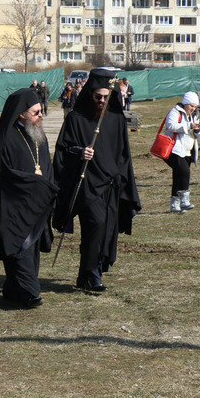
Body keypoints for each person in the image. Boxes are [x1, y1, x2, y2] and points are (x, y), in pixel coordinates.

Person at [53, 68, 141, 293]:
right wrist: (79, 152)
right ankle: (93, 274)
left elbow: (124, 154)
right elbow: (63, 150)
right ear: (90, 94)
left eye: (106, 97)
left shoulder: (116, 119)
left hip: (110, 184)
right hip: (86, 185)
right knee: (96, 223)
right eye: (98, 97)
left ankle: (88, 274)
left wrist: (121, 176)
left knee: (106, 228)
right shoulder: (76, 118)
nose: (102, 101)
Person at [0, 88, 58, 309]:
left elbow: (46, 166)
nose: (41, 115)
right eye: (36, 112)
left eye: (40, 110)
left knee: (32, 250)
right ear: (21, 114)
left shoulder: (39, 135)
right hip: (14, 206)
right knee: (20, 250)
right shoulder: (5, 139)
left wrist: (46, 189)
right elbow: (0, 173)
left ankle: (14, 290)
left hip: (37, 206)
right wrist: (31, 186)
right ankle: (29, 293)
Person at [162, 92, 200, 214]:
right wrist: (189, 125)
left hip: (187, 151)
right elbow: (171, 125)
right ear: (185, 103)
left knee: (178, 175)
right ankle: (184, 201)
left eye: (195, 106)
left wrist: (198, 129)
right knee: (185, 172)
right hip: (175, 150)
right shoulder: (175, 112)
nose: (193, 109)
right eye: (191, 106)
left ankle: (175, 205)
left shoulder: (194, 116)